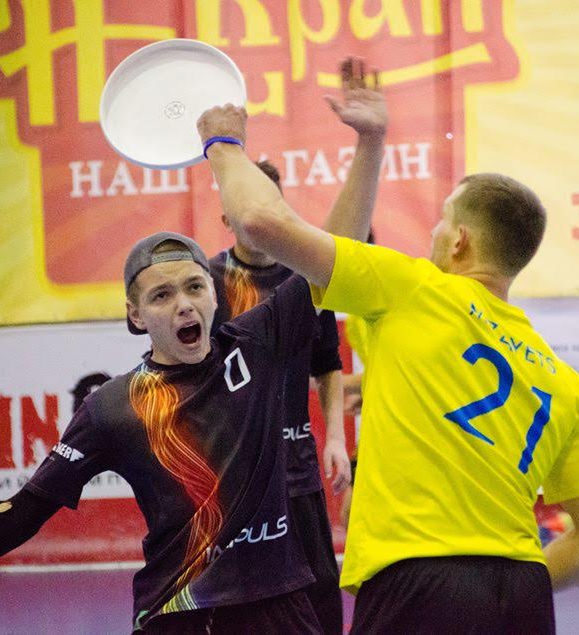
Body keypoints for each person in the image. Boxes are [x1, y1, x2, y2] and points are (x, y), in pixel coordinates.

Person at [0, 58, 382, 634]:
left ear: (216, 295)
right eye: (161, 295)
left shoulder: (259, 343)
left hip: (279, 607)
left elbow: (336, 251)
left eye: (194, 287)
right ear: (135, 315)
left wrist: (370, 143)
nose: (184, 305)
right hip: (179, 613)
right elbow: (27, 508)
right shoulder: (114, 408)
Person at [196, 103, 579, 633]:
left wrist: (223, 144)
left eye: (442, 220)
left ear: (459, 240)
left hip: (419, 584)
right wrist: (512, 589)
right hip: (524, 595)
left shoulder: (414, 288)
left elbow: (262, 222)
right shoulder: (562, 380)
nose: (434, 233)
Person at [206, 62, 386, 633]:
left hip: (297, 466)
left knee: (318, 595)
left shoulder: (300, 281)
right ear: (227, 216)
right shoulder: (202, 285)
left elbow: (327, 363)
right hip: (232, 475)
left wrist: (333, 438)